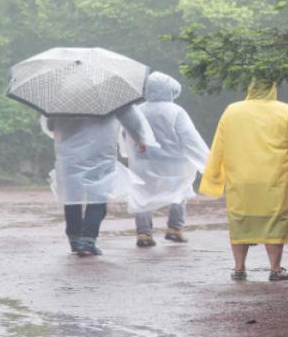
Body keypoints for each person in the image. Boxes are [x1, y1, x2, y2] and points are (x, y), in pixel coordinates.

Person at [199, 79, 288, 281]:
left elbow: (219, 146)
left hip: (241, 177)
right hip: (274, 178)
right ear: (273, 87)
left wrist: (214, 176)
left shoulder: (232, 111)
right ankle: (275, 269)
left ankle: (239, 268)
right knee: (275, 220)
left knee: (239, 220)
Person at [43, 104, 155, 257]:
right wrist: (140, 140)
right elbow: (131, 119)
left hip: (69, 153)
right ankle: (88, 240)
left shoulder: (64, 97)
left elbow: (50, 125)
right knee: (99, 195)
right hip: (100, 152)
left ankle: (75, 238)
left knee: (72, 196)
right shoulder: (113, 93)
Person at [122, 72, 209, 247]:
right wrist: (207, 161)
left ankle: (144, 233)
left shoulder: (138, 110)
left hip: (144, 162)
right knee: (180, 190)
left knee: (142, 195)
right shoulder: (176, 111)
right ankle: (175, 229)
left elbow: (125, 134)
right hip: (174, 162)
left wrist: (129, 152)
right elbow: (189, 137)